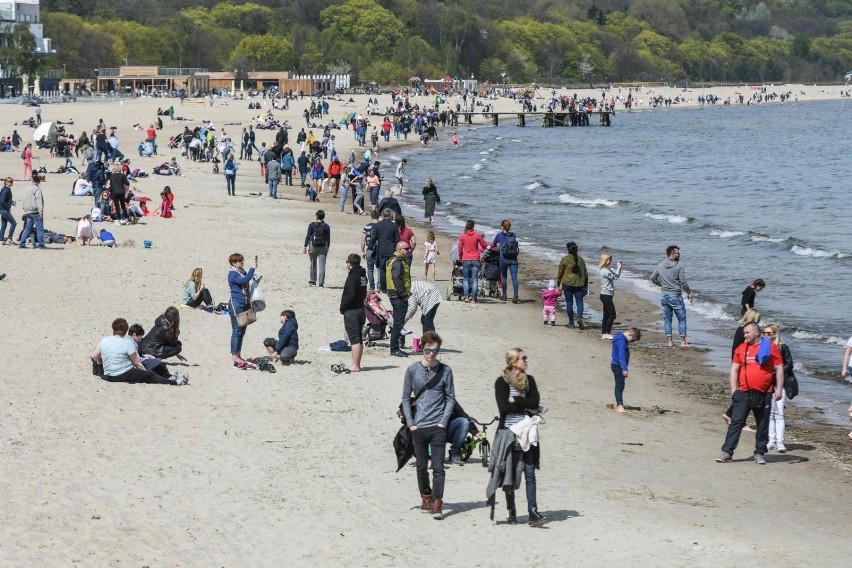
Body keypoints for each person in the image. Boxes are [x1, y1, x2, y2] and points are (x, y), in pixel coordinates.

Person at [400, 331, 455, 520]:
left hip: (438, 426)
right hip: (419, 426)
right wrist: (411, 423)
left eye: (435, 350)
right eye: (428, 350)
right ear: (422, 348)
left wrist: (443, 421)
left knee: (439, 467)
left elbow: (450, 398)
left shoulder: (446, 371)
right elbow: (406, 398)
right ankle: (426, 497)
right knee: (421, 466)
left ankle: (438, 502)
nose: (431, 354)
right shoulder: (412, 370)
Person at [492, 348, 548, 526]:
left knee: (530, 472)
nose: (526, 361)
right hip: (509, 433)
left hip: (528, 433)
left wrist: (515, 401)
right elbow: (503, 409)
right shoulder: (501, 382)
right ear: (514, 362)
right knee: (509, 473)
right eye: (523, 358)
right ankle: (512, 512)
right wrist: (526, 407)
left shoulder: (529, 381)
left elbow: (535, 403)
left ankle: (533, 511)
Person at [717, 322, 784, 465]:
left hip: (764, 392)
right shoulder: (741, 348)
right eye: (744, 333)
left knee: (762, 424)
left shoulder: (770, 347)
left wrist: (778, 389)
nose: (744, 335)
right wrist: (734, 390)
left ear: (756, 332)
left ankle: (759, 453)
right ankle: (727, 452)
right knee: (736, 422)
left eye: (747, 332)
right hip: (743, 392)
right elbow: (734, 370)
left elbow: (779, 369)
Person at [90, 318, 187, 385]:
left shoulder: (104, 340)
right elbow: (136, 362)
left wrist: (100, 362)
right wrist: (146, 373)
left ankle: (171, 378)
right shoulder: (127, 343)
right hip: (123, 374)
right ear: (125, 330)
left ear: (113, 329)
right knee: (151, 374)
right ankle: (174, 382)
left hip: (108, 375)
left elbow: (94, 356)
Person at [650, 245, 694, 348]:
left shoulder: (660, 265)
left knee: (667, 319)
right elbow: (683, 282)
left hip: (664, 295)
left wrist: (662, 285)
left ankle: (670, 342)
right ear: (672, 254)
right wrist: (689, 292)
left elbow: (652, 278)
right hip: (675, 295)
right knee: (681, 319)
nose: (679, 255)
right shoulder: (679, 266)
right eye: (677, 253)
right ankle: (683, 342)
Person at [764, 323, 794, 453]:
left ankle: (780, 442)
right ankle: (772, 440)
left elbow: (789, 364)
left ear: (775, 334)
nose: (766, 335)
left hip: (779, 384)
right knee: (770, 413)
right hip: (766, 383)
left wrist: (776, 371)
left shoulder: (783, 347)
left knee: (779, 413)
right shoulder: (762, 347)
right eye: (764, 332)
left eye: (769, 333)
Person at [228, 252, 257, 368]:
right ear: (234, 263)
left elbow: (247, 280)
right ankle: (234, 355)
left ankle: (238, 354)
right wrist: (252, 269)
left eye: (243, 261)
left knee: (242, 331)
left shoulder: (242, 272)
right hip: (236, 303)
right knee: (236, 330)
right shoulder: (232, 274)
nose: (243, 263)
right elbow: (244, 281)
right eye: (241, 261)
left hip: (244, 303)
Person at [340, 253, 368, 371]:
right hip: (361, 309)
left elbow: (350, 295)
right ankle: (357, 364)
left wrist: (343, 306)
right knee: (359, 338)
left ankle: (355, 365)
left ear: (349, 264)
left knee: (354, 339)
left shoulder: (353, 276)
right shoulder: (363, 276)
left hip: (352, 310)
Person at [387, 241, 412, 357]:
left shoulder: (397, 260)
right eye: (406, 249)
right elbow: (396, 278)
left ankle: (395, 348)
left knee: (398, 322)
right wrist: (403, 294)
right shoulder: (397, 262)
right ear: (399, 250)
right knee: (398, 323)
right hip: (398, 295)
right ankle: (394, 349)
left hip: (396, 294)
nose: (409, 250)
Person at [556, 241, 588, 328]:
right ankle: (580, 318)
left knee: (569, 303)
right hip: (579, 284)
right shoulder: (581, 260)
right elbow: (585, 275)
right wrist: (585, 286)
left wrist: (558, 283)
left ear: (568, 249)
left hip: (567, 284)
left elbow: (560, 273)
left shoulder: (565, 259)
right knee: (580, 303)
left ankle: (571, 323)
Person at [610, 328, 642, 413]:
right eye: (632, 340)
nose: (631, 342)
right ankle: (619, 405)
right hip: (618, 366)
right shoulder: (622, 341)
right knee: (619, 385)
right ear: (630, 334)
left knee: (620, 385)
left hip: (615, 364)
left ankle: (620, 404)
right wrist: (624, 369)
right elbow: (621, 356)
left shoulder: (618, 337)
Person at [457, 220, 488, 304]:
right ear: (473, 226)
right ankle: (473, 298)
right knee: (475, 279)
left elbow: (459, 248)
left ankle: (466, 296)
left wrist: (460, 257)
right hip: (475, 259)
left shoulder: (462, 235)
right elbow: (484, 245)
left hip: (466, 259)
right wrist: (481, 238)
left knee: (466, 278)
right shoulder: (477, 235)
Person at [370, 209, 399, 293]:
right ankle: (390, 286)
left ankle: (383, 288)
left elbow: (373, 238)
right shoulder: (394, 226)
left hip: (381, 250)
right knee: (391, 269)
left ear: (382, 215)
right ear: (390, 215)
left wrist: (370, 247)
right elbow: (397, 240)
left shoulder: (378, 225)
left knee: (382, 269)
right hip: (391, 250)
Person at [492, 219, 519, 303]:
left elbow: (493, 244)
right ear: (509, 227)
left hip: (503, 258)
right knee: (514, 278)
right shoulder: (513, 235)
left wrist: (489, 247)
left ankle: (504, 295)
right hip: (513, 259)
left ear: (502, 226)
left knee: (503, 276)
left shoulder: (499, 235)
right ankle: (515, 296)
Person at [17, 174, 45, 249]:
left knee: (27, 228)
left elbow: (24, 199)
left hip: (27, 211)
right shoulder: (37, 189)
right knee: (39, 229)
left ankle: (21, 244)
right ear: (39, 181)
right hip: (35, 211)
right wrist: (41, 211)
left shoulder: (27, 188)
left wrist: (24, 209)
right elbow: (39, 200)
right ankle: (41, 245)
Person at [599, 253, 623, 339]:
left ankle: (604, 333)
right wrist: (618, 267)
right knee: (612, 314)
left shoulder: (608, 270)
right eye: (609, 260)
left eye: (610, 260)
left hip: (607, 295)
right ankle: (607, 332)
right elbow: (614, 277)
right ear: (604, 261)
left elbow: (617, 275)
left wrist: (619, 267)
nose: (610, 261)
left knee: (606, 315)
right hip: (605, 295)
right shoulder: (604, 271)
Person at [303, 210, 330, 287]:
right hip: (323, 245)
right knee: (322, 265)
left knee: (313, 263)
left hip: (313, 245)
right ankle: (321, 283)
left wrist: (305, 246)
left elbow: (308, 236)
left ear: (317, 216)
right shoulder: (326, 226)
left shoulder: (311, 225)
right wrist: (328, 246)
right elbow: (328, 238)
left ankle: (312, 281)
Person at [361, 210, 380, 291]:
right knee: (379, 268)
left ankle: (372, 286)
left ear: (371, 217)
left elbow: (363, 239)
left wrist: (362, 251)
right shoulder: (381, 226)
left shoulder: (367, 226)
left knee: (370, 268)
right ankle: (379, 286)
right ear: (378, 216)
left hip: (369, 248)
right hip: (379, 249)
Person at [0, 177, 16, 245]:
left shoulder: (5, 189)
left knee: (4, 225)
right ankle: (10, 238)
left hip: (3, 209)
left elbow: (6, 199)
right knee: (13, 223)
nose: (11, 183)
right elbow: (2, 201)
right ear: (6, 182)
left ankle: (1, 239)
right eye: (10, 182)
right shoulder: (6, 190)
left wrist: (11, 202)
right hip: (4, 210)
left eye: (12, 181)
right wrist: (7, 207)